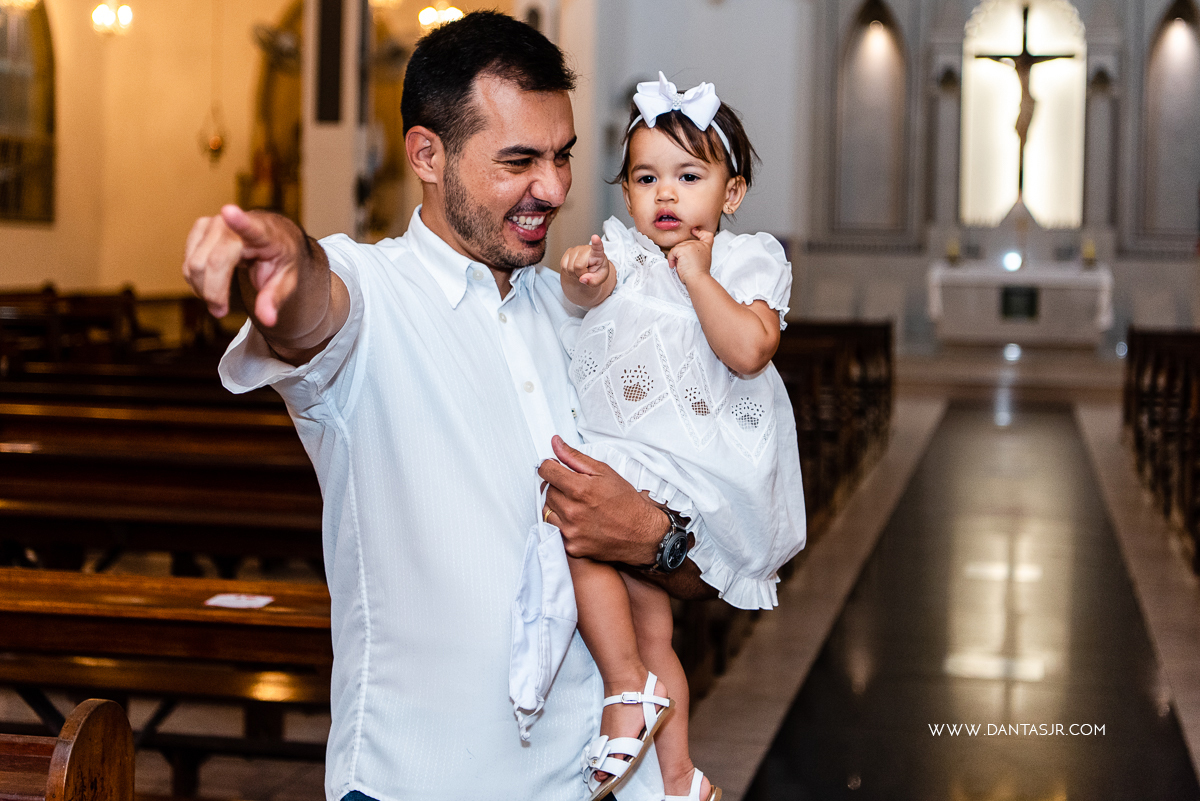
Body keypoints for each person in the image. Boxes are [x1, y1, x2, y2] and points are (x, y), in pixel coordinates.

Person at [182, 14, 716, 801]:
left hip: (602, 781)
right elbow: (310, 309)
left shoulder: (594, 310)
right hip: (421, 779)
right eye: (519, 161)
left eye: (562, 157)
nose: (555, 188)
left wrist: (652, 536)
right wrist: (284, 256)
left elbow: (715, 565)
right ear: (427, 155)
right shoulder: (375, 295)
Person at [553, 73, 807, 801]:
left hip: (701, 468)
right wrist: (582, 276)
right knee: (646, 623)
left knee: (587, 543)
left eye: (688, 175)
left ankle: (627, 689)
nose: (665, 194)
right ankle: (677, 776)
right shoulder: (626, 255)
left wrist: (697, 275)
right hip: (626, 453)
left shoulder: (745, 259)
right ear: (626, 192)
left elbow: (749, 349)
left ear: (731, 194)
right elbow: (583, 302)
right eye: (645, 177)